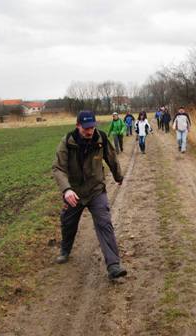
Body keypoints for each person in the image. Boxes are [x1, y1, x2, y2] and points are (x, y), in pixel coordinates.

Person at [52, 110, 127, 279]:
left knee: (104, 222)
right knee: (68, 222)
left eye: (92, 127)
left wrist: (118, 176)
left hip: (95, 190)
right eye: (86, 128)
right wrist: (66, 189)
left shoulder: (100, 138)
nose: (89, 131)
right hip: (75, 192)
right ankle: (65, 249)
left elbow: (111, 157)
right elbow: (58, 168)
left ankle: (113, 265)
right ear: (77, 125)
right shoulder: (67, 142)